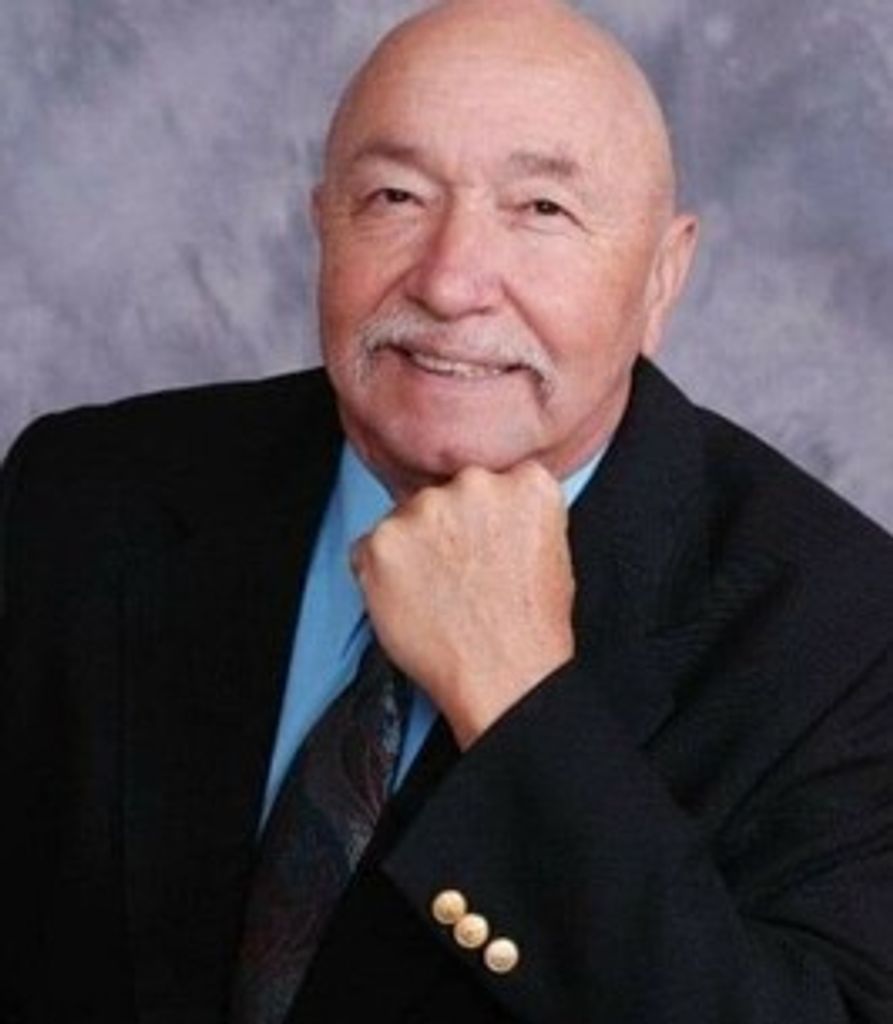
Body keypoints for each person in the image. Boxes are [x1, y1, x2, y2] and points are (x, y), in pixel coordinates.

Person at [2, 0, 892, 1021]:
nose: (451, 280)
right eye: (395, 196)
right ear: (322, 226)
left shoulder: (846, 634)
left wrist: (521, 706)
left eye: (541, 209)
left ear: (661, 275)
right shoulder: (86, 492)